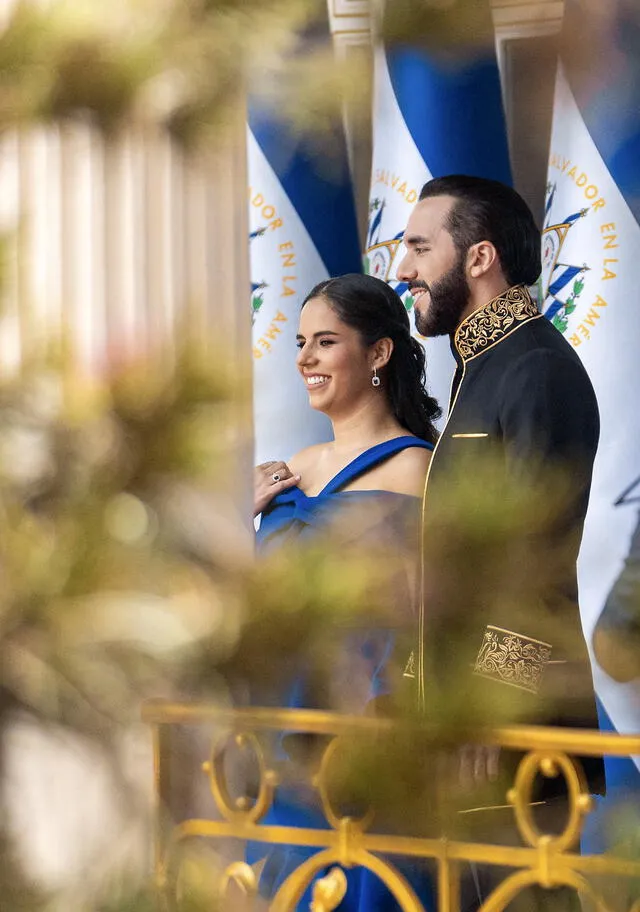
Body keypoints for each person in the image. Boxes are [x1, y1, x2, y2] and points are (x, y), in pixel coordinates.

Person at [396, 175, 604, 909]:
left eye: (421, 247)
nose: (403, 269)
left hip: (517, 730)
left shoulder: (537, 369)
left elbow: (535, 556)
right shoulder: (480, 369)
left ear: (479, 258)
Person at [248, 272, 439, 910]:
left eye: (324, 342)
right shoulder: (291, 467)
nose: (303, 358)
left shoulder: (415, 467)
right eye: (301, 341)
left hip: (360, 725)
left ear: (379, 352)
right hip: (279, 723)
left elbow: (424, 611)